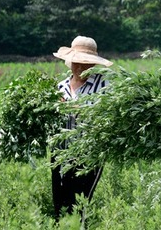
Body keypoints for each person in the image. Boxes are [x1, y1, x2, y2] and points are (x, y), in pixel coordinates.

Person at [51, 35, 113, 220]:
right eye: (76, 62)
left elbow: (107, 116)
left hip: (89, 154)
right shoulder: (60, 87)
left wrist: (72, 108)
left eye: (85, 63)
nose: (79, 67)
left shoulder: (104, 85)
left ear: (93, 64)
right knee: (60, 203)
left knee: (78, 205)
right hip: (60, 152)